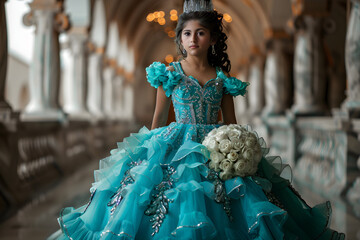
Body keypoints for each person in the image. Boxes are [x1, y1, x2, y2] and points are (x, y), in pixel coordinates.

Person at [53, 0, 345, 239]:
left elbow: (231, 122)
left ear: (214, 38)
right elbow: (157, 119)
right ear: (180, 38)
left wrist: (239, 149)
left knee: (231, 204)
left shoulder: (222, 79)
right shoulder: (167, 74)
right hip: (175, 142)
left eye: (201, 32)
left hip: (217, 145)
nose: (193, 39)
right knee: (175, 202)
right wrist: (144, 157)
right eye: (187, 33)